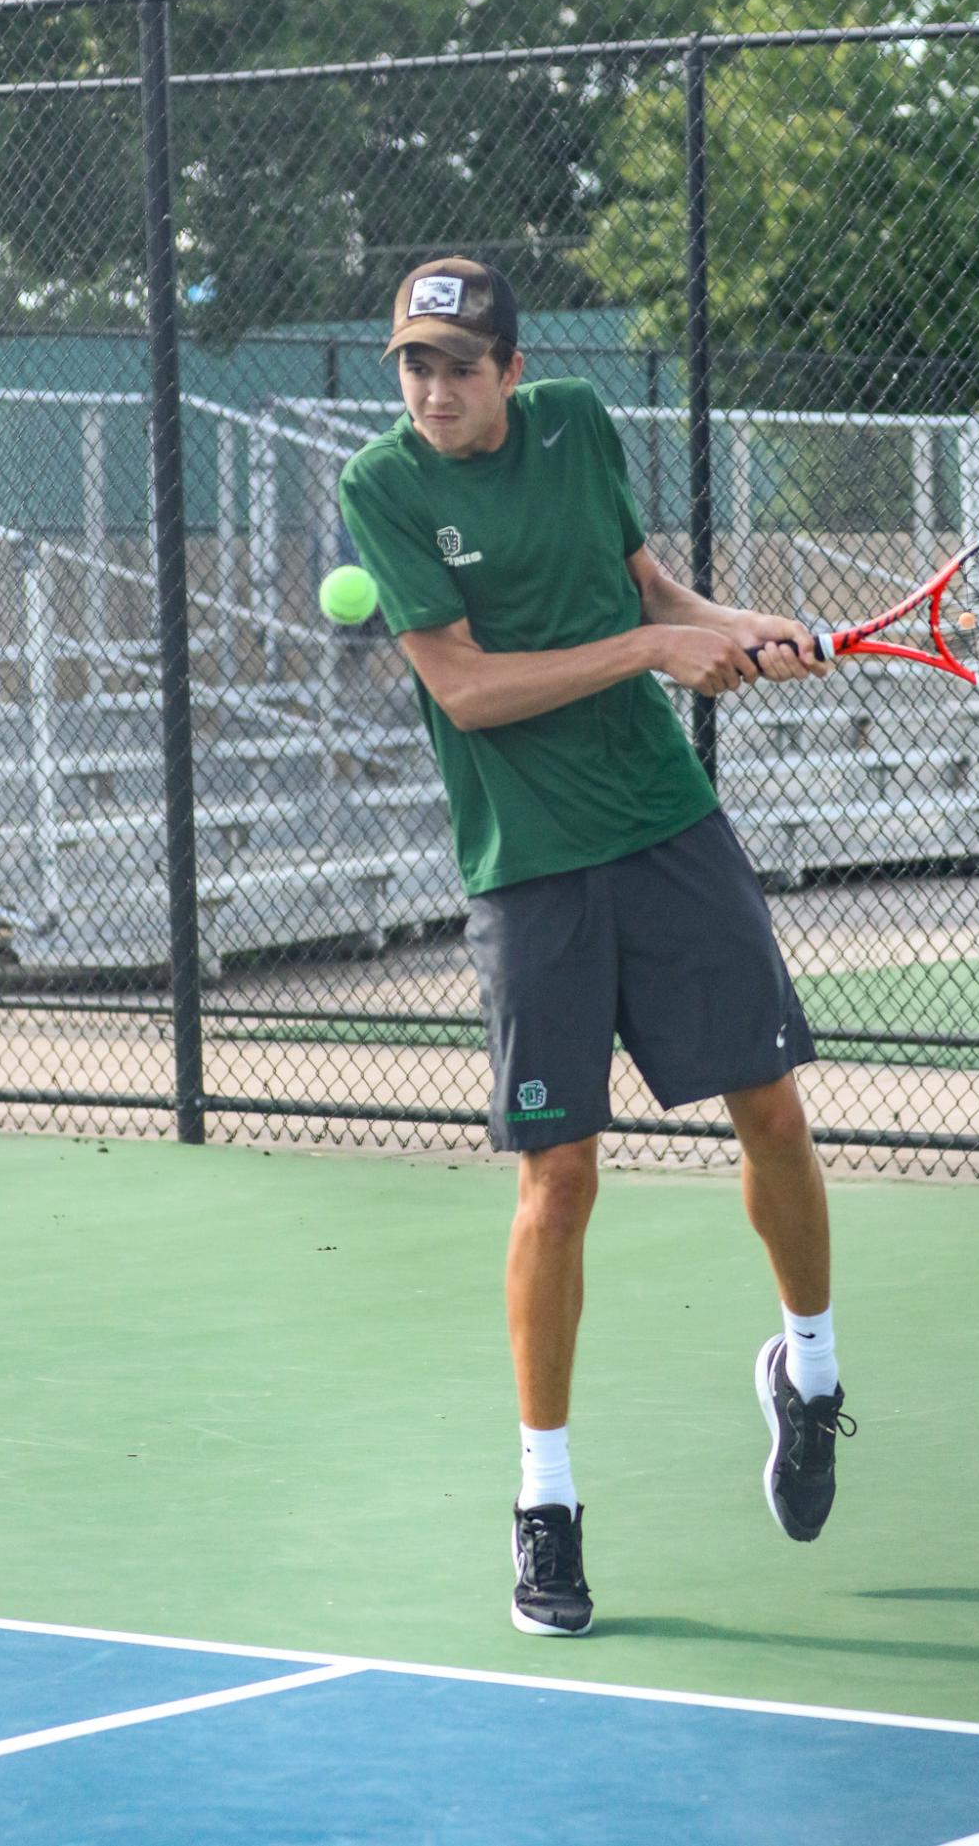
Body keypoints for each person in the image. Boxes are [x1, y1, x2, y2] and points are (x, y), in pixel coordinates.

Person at [338, 256, 854, 1638]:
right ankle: (546, 1504)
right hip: (530, 868)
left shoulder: (575, 423)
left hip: (665, 829)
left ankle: (809, 1372)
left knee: (774, 1112)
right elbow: (465, 689)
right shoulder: (383, 487)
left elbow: (648, 587)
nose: (433, 390)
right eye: (413, 366)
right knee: (556, 1178)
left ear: (512, 368)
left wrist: (731, 627)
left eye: (458, 364)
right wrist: (646, 651)